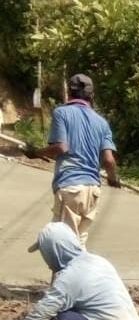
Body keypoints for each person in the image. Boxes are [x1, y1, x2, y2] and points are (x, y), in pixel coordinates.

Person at [0, 222, 139, 320]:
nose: (46, 259)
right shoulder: (97, 261)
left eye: (45, 252)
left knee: (54, 315)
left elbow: (42, 312)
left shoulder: (70, 277)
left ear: (54, 251)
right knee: (63, 309)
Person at [23, 73, 120, 248]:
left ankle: (51, 253)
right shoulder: (102, 123)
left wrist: (36, 152)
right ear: (92, 96)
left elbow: (61, 148)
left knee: (63, 245)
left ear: (69, 93)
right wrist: (113, 179)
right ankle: (48, 244)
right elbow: (109, 160)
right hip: (92, 191)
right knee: (78, 241)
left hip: (71, 187)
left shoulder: (62, 113)